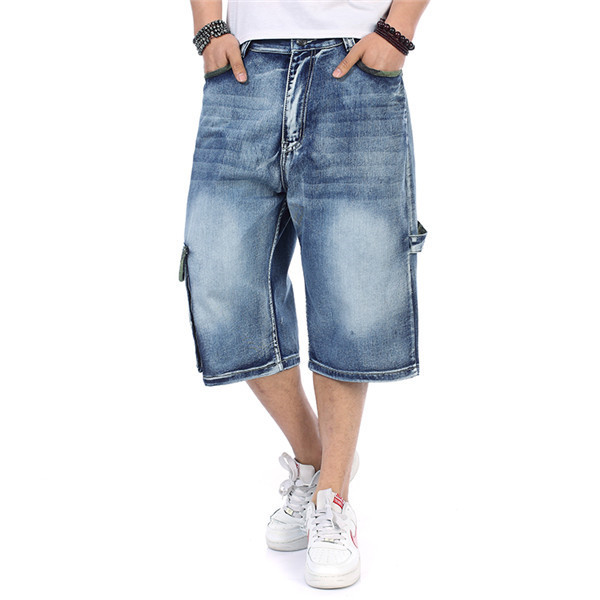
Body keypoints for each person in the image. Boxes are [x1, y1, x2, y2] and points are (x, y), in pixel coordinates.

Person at [180, 0, 430, 589]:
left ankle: (332, 495)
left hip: (355, 63)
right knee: (221, 282)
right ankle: (314, 455)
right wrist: (207, 27)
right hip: (245, 66)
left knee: (353, 288)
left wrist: (399, 30)